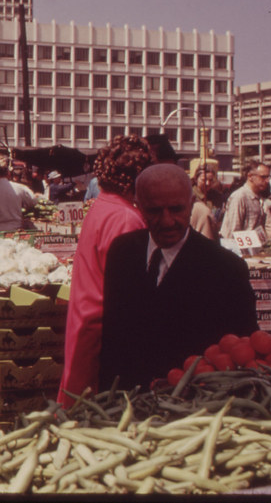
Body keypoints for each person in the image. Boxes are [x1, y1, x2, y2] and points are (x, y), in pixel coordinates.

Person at [99, 164, 258, 389]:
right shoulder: (122, 251)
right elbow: (111, 336)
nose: (167, 221)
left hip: (195, 403)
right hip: (125, 399)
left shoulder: (226, 268)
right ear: (139, 206)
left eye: (176, 209)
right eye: (154, 211)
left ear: (192, 205)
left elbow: (243, 352)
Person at [58, 135, 152, 407]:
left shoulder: (103, 206)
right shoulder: (126, 218)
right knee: (93, 411)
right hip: (100, 335)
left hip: (84, 322)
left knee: (75, 407)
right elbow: (128, 295)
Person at [219, 162, 271, 240]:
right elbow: (232, 232)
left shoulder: (259, 197)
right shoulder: (239, 196)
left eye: (268, 177)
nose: (267, 181)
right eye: (263, 177)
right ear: (250, 176)